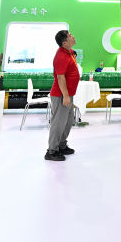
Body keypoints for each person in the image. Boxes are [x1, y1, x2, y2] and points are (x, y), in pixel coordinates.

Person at [44, 29, 79, 162]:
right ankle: (52, 151)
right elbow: (60, 77)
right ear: (64, 42)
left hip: (68, 94)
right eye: (70, 36)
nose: (73, 36)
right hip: (61, 95)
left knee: (68, 122)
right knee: (58, 123)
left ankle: (61, 145)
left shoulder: (69, 52)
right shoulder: (61, 56)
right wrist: (65, 95)